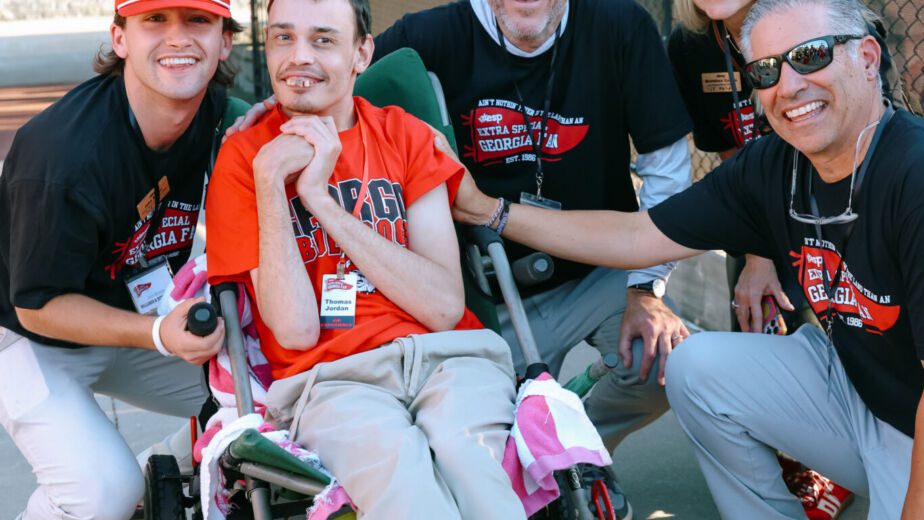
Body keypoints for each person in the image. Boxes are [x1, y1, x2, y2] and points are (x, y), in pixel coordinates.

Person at [452, 0, 924, 516]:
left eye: (810, 56)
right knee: (693, 367)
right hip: (859, 391)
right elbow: (638, 237)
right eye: (766, 71)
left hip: (911, 421)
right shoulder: (774, 166)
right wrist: (492, 211)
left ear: (868, 56)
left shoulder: (911, 172)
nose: (788, 86)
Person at [366, 2, 694, 512]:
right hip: (482, 296)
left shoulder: (620, 26)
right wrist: (269, 119)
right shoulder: (425, 37)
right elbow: (335, 90)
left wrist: (646, 288)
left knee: (669, 364)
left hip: (595, 272)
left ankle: (572, 458)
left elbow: (667, 170)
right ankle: (535, 464)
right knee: (466, 451)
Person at [204, 0, 524, 517]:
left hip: (452, 361)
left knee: (477, 469)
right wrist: (271, 184)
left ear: (362, 52)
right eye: (283, 38)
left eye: (323, 40)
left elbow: (443, 307)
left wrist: (323, 203)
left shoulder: (407, 136)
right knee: (407, 489)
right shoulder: (247, 160)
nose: (298, 57)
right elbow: (294, 332)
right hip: (332, 381)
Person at [0, 0, 240, 518]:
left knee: (267, 395)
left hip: (136, 310)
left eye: (197, 19)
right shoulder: (61, 154)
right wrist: (155, 333)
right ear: (119, 38)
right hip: (29, 333)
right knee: (100, 493)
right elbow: (36, 306)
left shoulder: (215, 110)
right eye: (155, 19)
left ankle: (160, 482)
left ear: (225, 41)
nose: (178, 37)